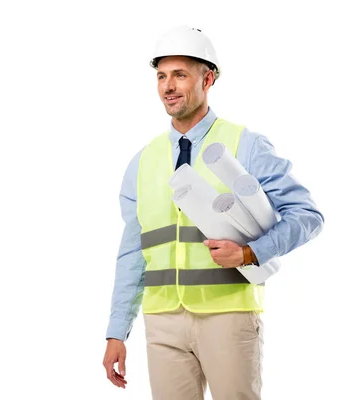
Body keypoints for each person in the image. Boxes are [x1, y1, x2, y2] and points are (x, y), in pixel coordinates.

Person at [102, 26, 324, 400]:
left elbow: (306, 215)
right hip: (163, 324)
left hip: (228, 317)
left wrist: (251, 253)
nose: (168, 86)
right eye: (161, 76)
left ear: (208, 78)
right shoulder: (142, 163)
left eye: (180, 75)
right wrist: (116, 330)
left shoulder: (245, 145)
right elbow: (131, 253)